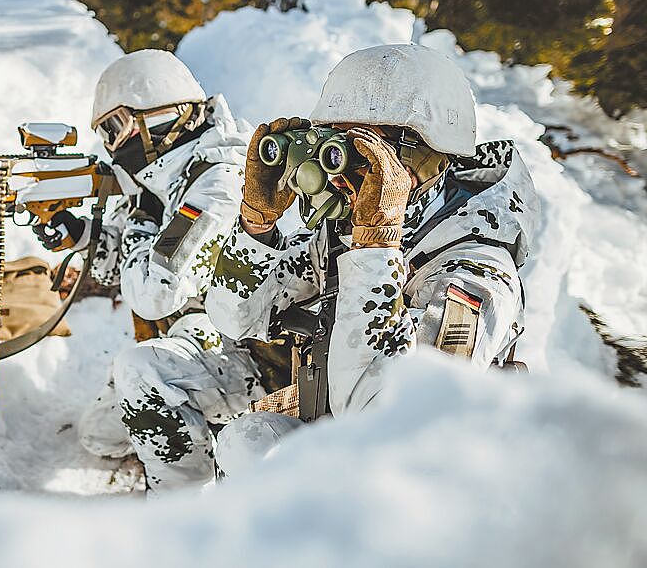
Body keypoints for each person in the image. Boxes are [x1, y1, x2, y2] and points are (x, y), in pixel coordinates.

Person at [205, 43, 541, 474]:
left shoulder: (476, 273)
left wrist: (376, 243)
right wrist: (257, 226)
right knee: (248, 443)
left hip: (439, 489)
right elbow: (235, 316)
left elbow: (385, 417)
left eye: (364, 154)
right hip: (360, 454)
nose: (343, 176)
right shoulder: (343, 235)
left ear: (424, 156)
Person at [33, 49, 266, 493]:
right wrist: (80, 234)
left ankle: (183, 512)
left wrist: (141, 217)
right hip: (199, 337)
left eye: (115, 128)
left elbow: (155, 291)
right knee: (98, 435)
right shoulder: (164, 179)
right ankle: (197, 425)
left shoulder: (219, 182)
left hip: (251, 353)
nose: (112, 145)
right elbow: (123, 263)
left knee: (141, 371)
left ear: (160, 115)